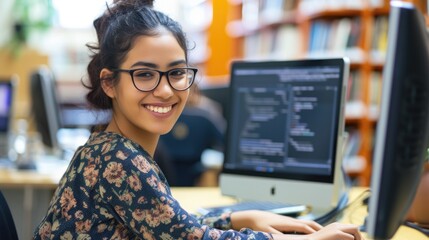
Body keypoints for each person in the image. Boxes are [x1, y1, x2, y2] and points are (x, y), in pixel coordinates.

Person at [33, 1, 364, 239]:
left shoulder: (106, 147)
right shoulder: (121, 163)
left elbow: (167, 222)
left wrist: (234, 217)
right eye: (145, 74)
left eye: (177, 72)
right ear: (109, 82)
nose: (165, 91)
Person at [155, 84, 226, 186]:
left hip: (160, 175)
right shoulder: (206, 117)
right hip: (195, 176)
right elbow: (223, 143)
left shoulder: (158, 116)